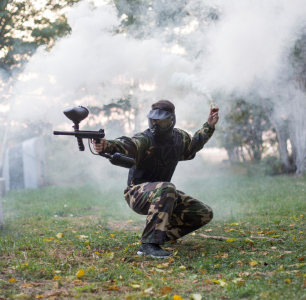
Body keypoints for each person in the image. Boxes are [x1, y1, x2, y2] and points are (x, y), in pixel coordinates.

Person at [93, 100, 219, 258]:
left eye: (162, 121)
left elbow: (194, 145)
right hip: (136, 194)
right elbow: (127, 144)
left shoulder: (180, 138)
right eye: (153, 121)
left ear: (172, 120)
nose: (156, 126)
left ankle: (159, 234)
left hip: (164, 194)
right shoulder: (145, 139)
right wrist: (107, 145)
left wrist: (209, 125)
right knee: (167, 188)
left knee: (204, 213)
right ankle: (148, 245)